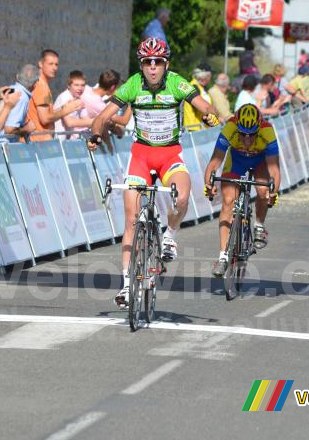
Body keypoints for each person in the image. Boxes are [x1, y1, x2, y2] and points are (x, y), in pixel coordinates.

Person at [87, 37, 219, 308]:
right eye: (147, 62)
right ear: (142, 65)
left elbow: (202, 104)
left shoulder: (177, 82)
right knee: (131, 218)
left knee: (182, 196)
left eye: (158, 62)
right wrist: (96, 135)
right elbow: (101, 117)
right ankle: (125, 285)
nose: (153, 68)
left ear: (166, 64)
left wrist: (209, 114)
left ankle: (169, 235)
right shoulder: (133, 84)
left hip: (169, 154)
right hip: (141, 157)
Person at [203, 104, 280, 277]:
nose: (246, 139)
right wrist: (208, 185)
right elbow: (214, 162)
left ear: (258, 128)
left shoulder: (268, 131)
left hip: (260, 160)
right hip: (236, 160)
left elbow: (275, 169)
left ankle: (259, 225)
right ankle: (223, 257)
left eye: (251, 134)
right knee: (228, 201)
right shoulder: (229, 127)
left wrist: (273, 192)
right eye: (242, 134)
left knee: (262, 190)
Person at [26, 49, 82, 141]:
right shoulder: (40, 86)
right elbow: (44, 119)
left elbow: (46, 114)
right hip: (39, 141)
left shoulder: (43, 85)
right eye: (50, 64)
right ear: (40, 64)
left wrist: (64, 107)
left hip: (41, 140)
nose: (54, 68)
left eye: (56, 64)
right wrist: (66, 110)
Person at [0, 63, 40, 139]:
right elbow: (9, 129)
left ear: (17, 76)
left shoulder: (5, 90)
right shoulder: (21, 96)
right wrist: (26, 129)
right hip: (1, 145)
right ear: (35, 83)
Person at [53, 70, 94, 140]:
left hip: (70, 139)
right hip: (58, 139)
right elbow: (69, 122)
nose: (80, 88)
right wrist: (94, 121)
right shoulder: (64, 97)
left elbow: (86, 119)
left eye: (83, 85)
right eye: (76, 85)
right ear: (68, 86)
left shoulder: (79, 98)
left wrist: (96, 121)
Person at [183, 66, 212, 131]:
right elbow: (203, 108)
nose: (206, 80)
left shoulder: (199, 87)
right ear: (198, 78)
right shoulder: (194, 87)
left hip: (200, 127)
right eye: (204, 78)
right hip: (193, 127)